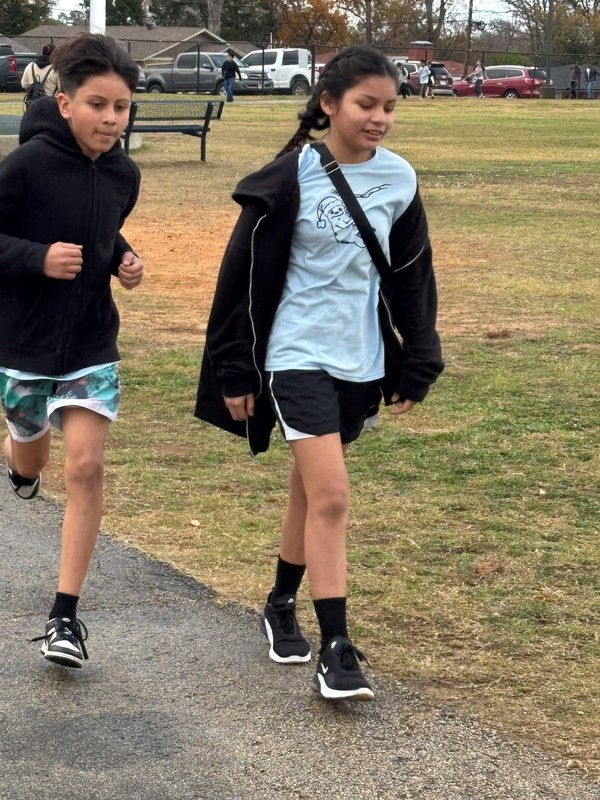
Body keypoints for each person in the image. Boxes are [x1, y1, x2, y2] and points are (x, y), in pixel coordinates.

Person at [195, 45, 443, 701]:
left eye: (390, 107)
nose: (380, 118)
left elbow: (412, 277)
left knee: (311, 491)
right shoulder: (288, 178)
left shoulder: (399, 179)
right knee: (332, 495)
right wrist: (233, 370)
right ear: (329, 103)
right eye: (366, 104)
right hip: (294, 356)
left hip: (359, 360)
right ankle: (337, 649)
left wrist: (419, 357)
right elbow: (237, 280)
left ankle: (279, 602)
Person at [0, 33, 143, 669]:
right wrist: (37, 258)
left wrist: (123, 259)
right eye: (97, 104)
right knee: (30, 457)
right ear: (65, 104)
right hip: (24, 342)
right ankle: (21, 462)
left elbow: (104, 230)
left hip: (90, 341)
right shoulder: (26, 166)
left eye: (121, 107)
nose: (111, 119)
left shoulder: (124, 174)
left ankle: (65, 616)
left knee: (85, 467)